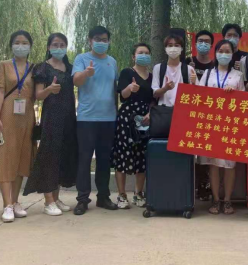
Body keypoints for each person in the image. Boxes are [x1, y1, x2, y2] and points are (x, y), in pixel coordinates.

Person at [23, 33, 77, 216]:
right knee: (49, 156)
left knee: (62, 156)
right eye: (55, 44)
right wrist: (49, 89)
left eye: (62, 45)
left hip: (69, 117)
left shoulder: (70, 68)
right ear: (48, 47)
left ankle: (56, 197)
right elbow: (38, 95)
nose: (59, 48)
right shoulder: (42, 68)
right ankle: (48, 201)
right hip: (52, 116)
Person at [72, 26, 119, 216]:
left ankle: (103, 197)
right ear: (90, 40)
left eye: (105, 39)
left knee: (104, 159)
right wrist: (86, 73)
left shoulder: (112, 62)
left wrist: (116, 113)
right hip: (87, 118)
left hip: (108, 118)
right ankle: (82, 199)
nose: (101, 42)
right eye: (97, 39)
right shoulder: (81, 59)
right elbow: (76, 81)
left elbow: (114, 88)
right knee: (84, 159)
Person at [0, 31, 37, 222]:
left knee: (22, 158)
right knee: (6, 157)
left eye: (25, 43)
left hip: (27, 116)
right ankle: (6, 204)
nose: (21, 46)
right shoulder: (3, 65)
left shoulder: (34, 68)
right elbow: (0, 92)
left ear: (30, 46)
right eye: (17, 42)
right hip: (7, 114)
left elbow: (35, 95)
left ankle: (15, 201)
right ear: (11, 45)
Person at [198, 40, 246, 215]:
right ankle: (216, 200)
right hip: (211, 123)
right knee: (213, 164)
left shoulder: (238, 75)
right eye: (221, 50)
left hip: (230, 124)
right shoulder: (208, 73)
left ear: (232, 54)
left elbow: (243, 101)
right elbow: (199, 96)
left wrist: (234, 94)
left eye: (227, 51)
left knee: (229, 165)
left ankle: (227, 200)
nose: (224, 54)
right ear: (216, 53)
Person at [112, 43, 153, 209]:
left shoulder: (152, 76)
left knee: (142, 156)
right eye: (140, 52)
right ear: (133, 56)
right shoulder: (127, 72)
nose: (144, 55)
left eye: (147, 53)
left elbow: (154, 98)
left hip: (145, 119)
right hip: (127, 118)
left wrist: (150, 113)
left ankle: (138, 193)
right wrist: (129, 88)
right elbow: (122, 96)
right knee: (123, 154)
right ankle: (122, 195)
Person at [186, 30, 215, 201]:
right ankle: (190, 187)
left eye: (207, 41)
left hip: (210, 114)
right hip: (190, 113)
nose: (203, 44)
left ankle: (205, 187)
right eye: (200, 41)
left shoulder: (215, 65)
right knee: (190, 151)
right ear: (196, 44)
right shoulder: (187, 62)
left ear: (211, 45)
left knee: (206, 153)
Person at [152, 34, 197, 106]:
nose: (173, 48)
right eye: (170, 45)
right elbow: (155, 94)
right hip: (163, 109)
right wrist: (165, 88)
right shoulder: (158, 68)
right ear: (165, 49)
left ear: (181, 49)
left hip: (182, 109)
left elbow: (196, 94)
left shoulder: (189, 69)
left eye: (176, 45)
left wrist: (194, 83)